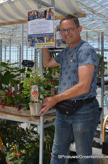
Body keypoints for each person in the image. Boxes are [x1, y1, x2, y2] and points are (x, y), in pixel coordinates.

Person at [40, 14, 100, 164]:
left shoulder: (85, 50)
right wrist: (44, 42)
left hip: (83, 110)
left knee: (83, 156)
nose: (66, 33)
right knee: (57, 153)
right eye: (63, 30)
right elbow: (47, 63)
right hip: (63, 109)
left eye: (70, 29)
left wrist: (55, 99)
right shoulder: (65, 52)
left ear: (79, 29)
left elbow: (84, 86)